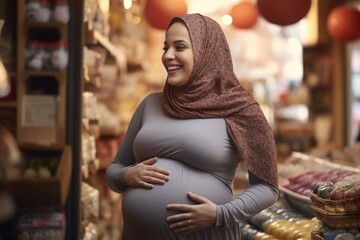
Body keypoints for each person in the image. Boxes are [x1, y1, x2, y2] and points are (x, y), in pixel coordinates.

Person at [105, 13, 279, 240]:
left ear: (207, 52)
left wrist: (221, 213)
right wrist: (127, 175)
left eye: (180, 47)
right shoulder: (150, 104)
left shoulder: (239, 110)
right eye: (165, 47)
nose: (168, 56)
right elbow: (114, 170)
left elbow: (268, 187)